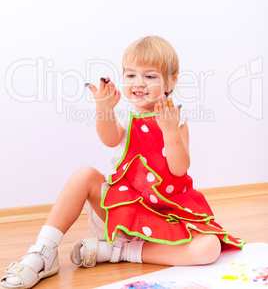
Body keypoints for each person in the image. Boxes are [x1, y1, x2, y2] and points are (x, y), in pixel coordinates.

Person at [0, 36, 244, 289]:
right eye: (130, 75)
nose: (138, 83)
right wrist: (103, 108)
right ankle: (43, 251)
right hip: (124, 209)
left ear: (170, 81)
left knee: (209, 248)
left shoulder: (176, 120)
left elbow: (179, 169)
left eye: (150, 76)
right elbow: (109, 139)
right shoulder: (126, 117)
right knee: (84, 174)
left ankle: (119, 252)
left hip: (166, 214)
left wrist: (170, 132)